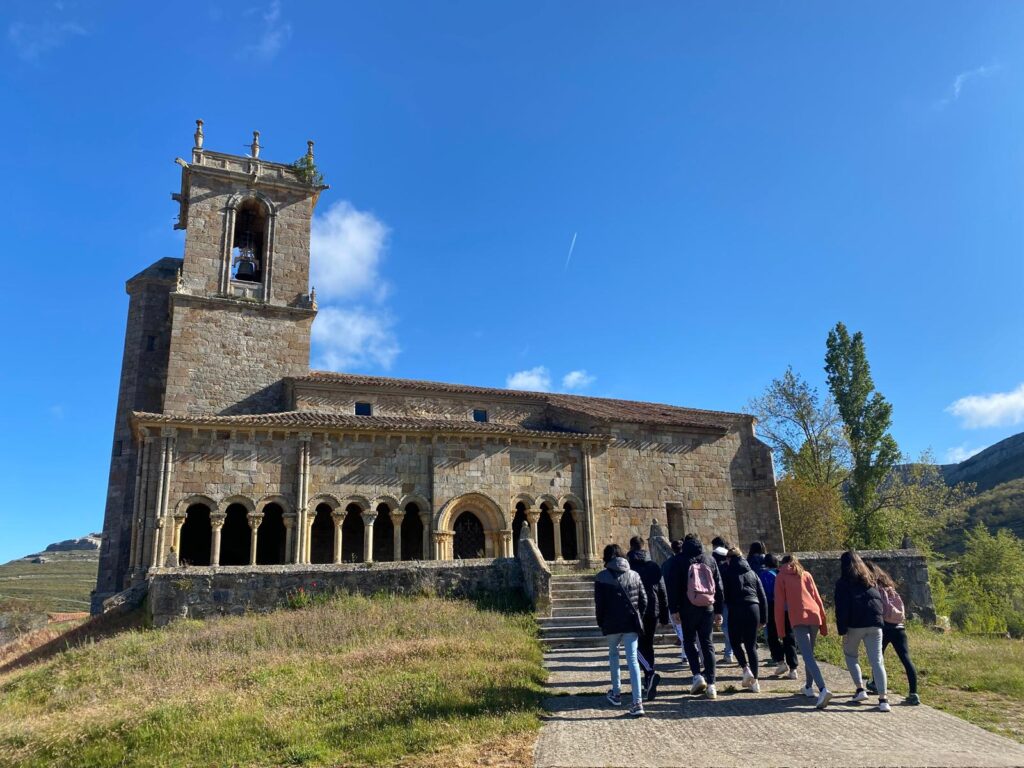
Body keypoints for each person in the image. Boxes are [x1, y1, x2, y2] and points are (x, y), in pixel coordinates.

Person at [594, 543, 648, 717]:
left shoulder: (601, 577)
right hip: (630, 623)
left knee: (613, 655)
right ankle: (637, 702)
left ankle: (616, 693)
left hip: (611, 624)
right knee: (632, 660)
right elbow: (643, 601)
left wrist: (601, 622)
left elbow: (599, 604)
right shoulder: (634, 575)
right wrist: (637, 616)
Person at [670, 533, 724, 700]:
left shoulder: (678, 560)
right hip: (707, 606)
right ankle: (712, 684)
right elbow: (719, 586)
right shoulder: (710, 560)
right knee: (707, 644)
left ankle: (697, 676)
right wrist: (719, 610)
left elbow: (674, 587)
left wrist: (674, 609)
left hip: (688, 607)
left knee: (689, 641)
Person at [774, 554, 833, 709]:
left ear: (783, 564)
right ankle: (808, 687)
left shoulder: (781, 576)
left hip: (799, 618)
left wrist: (780, 631)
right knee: (810, 655)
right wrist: (824, 623)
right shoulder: (806, 574)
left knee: (807, 656)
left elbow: (779, 606)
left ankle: (823, 689)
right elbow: (817, 599)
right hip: (814, 615)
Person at [835, 550, 890, 712]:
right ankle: (883, 699)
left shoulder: (843, 583)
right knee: (877, 661)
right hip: (875, 623)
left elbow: (842, 609)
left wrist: (842, 630)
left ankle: (860, 689)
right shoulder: (870, 579)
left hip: (855, 624)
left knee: (851, 655)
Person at [865, 561, 920, 705]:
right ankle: (913, 693)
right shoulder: (890, 587)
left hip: (884, 627)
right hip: (899, 627)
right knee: (906, 659)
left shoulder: (873, 587)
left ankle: (876, 684)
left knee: (877, 658)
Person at [627, 536, 669, 701]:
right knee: (648, 646)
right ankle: (647, 682)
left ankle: (650, 674)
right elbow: (662, 591)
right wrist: (665, 614)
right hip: (653, 611)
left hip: (635, 612)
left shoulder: (628, 566)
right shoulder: (653, 566)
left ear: (631, 547)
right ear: (644, 547)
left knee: (634, 648)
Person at [722, 546, 768, 692]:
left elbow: (725, 596)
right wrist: (764, 618)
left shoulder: (728, 573)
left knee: (735, 642)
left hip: (736, 609)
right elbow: (762, 596)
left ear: (729, 559)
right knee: (751, 645)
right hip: (753, 608)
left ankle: (745, 668)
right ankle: (755, 683)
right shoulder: (752, 572)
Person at [760, 553, 798, 678]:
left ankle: (780, 662)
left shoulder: (764, 575)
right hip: (787, 607)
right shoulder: (782, 574)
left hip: (771, 606)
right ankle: (793, 668)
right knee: (789, 635)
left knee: (772, 635)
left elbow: (763, 594)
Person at [660, 539, 686, 651]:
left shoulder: (667, 564)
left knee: (679, 627)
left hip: (673, 600)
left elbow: (663, 583)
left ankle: (685, 654)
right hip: (688, 599)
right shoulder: (690, 561)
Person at [711, 536, 733, 663]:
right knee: (728, 626)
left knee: (726, 627)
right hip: (733, 599)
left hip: (723, 600)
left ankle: (729, 653)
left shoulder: (718, 567)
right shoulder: (732, 565)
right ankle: (729, 651)